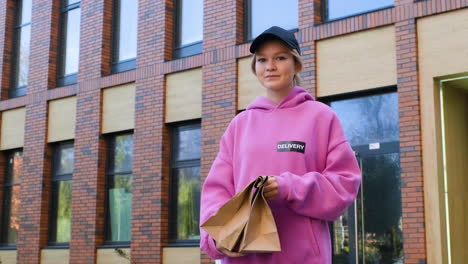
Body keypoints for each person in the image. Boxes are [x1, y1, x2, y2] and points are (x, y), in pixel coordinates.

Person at [199, 26, 362, 264]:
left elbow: (344, 183)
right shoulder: (239, 125)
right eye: (262, 59)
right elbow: (216, 191)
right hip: (243, 258)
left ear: (296, 65)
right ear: (255, 68)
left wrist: (289, 187)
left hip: (304, 257)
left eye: (280, 58)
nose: (270, 66)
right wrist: (215, 238)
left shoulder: (321, 117)